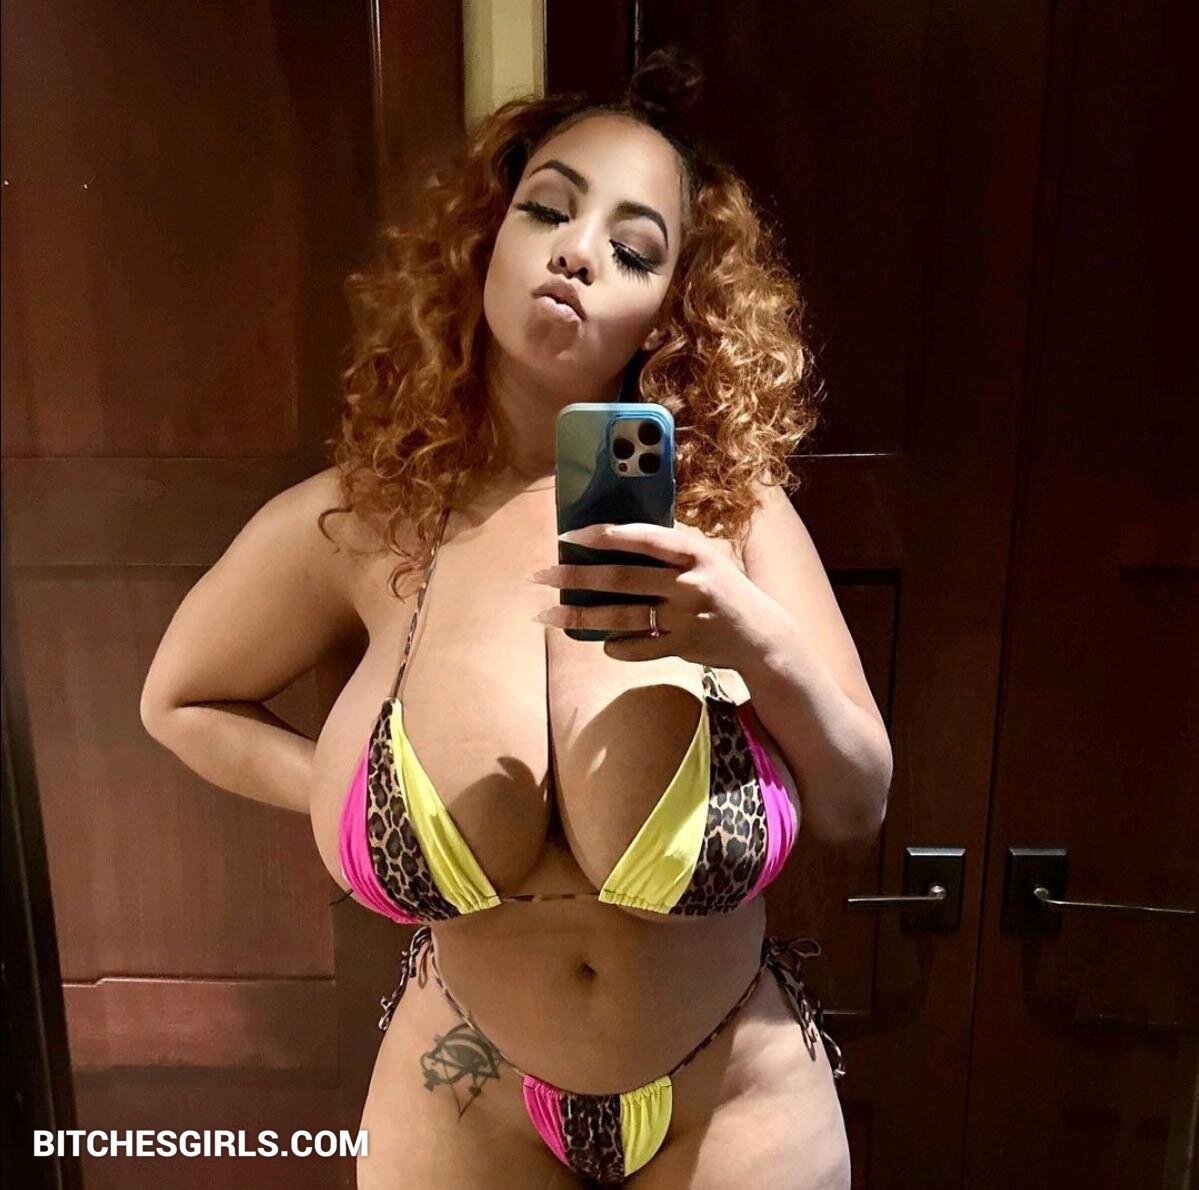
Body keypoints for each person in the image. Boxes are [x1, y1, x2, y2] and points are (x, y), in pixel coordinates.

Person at [142, 47, 891, 1190]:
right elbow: (178, 702)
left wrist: (747, 637)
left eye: (634, 249)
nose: (579, 252)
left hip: (732, 1090)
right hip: (462, 1089)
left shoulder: (730, 511)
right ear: (484, 240)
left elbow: (856, 798)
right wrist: (333, 786)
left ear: (670, 309)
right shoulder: (366, 518)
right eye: (548, 207)